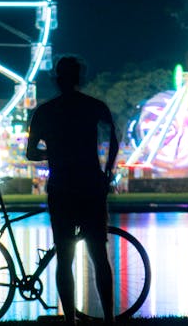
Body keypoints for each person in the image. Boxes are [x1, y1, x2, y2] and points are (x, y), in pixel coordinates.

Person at [25, 54, 119, 324]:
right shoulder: (93, 106)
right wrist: (108, 172)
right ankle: (109, 319)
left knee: (64, 256)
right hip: (90, 184)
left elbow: (31, 153)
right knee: (99, 255)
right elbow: (114, 135)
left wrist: (52, 153)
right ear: (79, 78)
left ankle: (70, 321)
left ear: (57, 80)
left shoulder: (44, 112)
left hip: (61, 186)